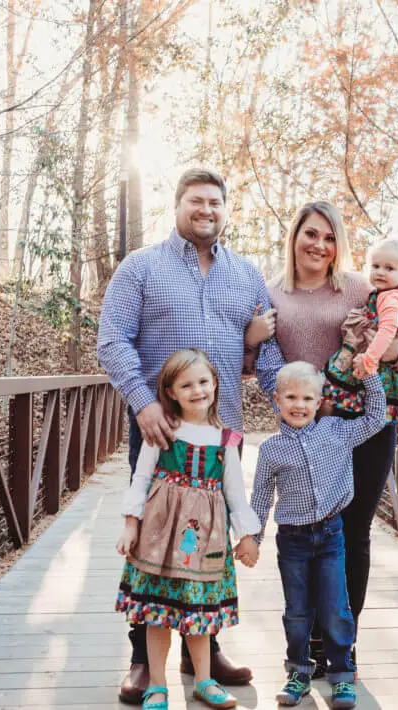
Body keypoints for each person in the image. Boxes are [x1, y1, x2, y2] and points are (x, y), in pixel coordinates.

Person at [98, 167, 284, 704]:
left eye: (216, 203)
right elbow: (112, 342)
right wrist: (142, 401)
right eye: (197, 201)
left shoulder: (247, 275)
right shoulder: (141, 268)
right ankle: (142, 658)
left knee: (211, 538)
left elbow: (260, 357)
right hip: (160, 429)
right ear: (178, 204)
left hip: (220, 433)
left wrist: (299, 401)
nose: (207, 211)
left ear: (226, 211)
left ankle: (204, 651)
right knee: (154, 543)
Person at [247, 202, 398, 676]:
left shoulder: (364, 289)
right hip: (308, 435)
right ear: (294, 237)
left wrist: (378, 350)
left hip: (365, 428)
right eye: (310, 234)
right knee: (307, 533)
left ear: (338, 244)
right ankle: (309, 641)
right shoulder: (270, 296)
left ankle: (341, 643)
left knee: (353, 532)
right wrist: (297, 402)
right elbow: (264, 366)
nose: (319, 245)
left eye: (329, 237)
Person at [116, 349, 261, 710]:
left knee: (199, 613)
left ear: (215, 383)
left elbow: (234, 491)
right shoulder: (162, 431)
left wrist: (246, 535)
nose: (197, 390)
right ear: (171, 391)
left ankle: (204, 680)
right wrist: (130, 524)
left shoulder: (226, 439)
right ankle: (158, 685)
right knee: (157, 611)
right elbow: (141, 478)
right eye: (186, 384)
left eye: (203, 381)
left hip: (207, 538)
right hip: (159, 537)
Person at [239, 361, 386, 709]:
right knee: (297, 611)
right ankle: (299, 673)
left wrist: (371, 379)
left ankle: (342, 676)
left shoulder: (337, 431)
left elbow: (376, 418)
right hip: (292, 541)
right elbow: (260, 498)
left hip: (332, 535)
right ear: (276, 399)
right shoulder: (272, 450)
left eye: (307, 397)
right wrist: (252, 538)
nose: (299, 404)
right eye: (290, 396)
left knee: (336, 607)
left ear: (320, 402)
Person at [323, 237, 398, 426]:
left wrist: (369, 360)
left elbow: (387, 330)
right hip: (370, 370)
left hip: (375, 372)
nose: (380, 272)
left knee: (367, 418)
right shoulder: (380, 294)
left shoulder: (391, 298)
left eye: (389, 268)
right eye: (375, 266)